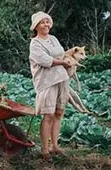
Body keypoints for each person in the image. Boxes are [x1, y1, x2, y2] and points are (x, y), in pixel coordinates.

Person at [28, 11, 72, 162]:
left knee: (59, 113)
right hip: (47, 82)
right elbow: (45, 60)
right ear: (36, 26)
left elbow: (61, 54)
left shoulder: (53, 38)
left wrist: (70, 60)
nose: (46, 25)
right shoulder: (35, 43)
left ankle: (55, 146)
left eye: (48, 22)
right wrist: (62, 62)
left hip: (62, 79)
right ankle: (44, 150)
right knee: (49, 115)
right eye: (42, 22)